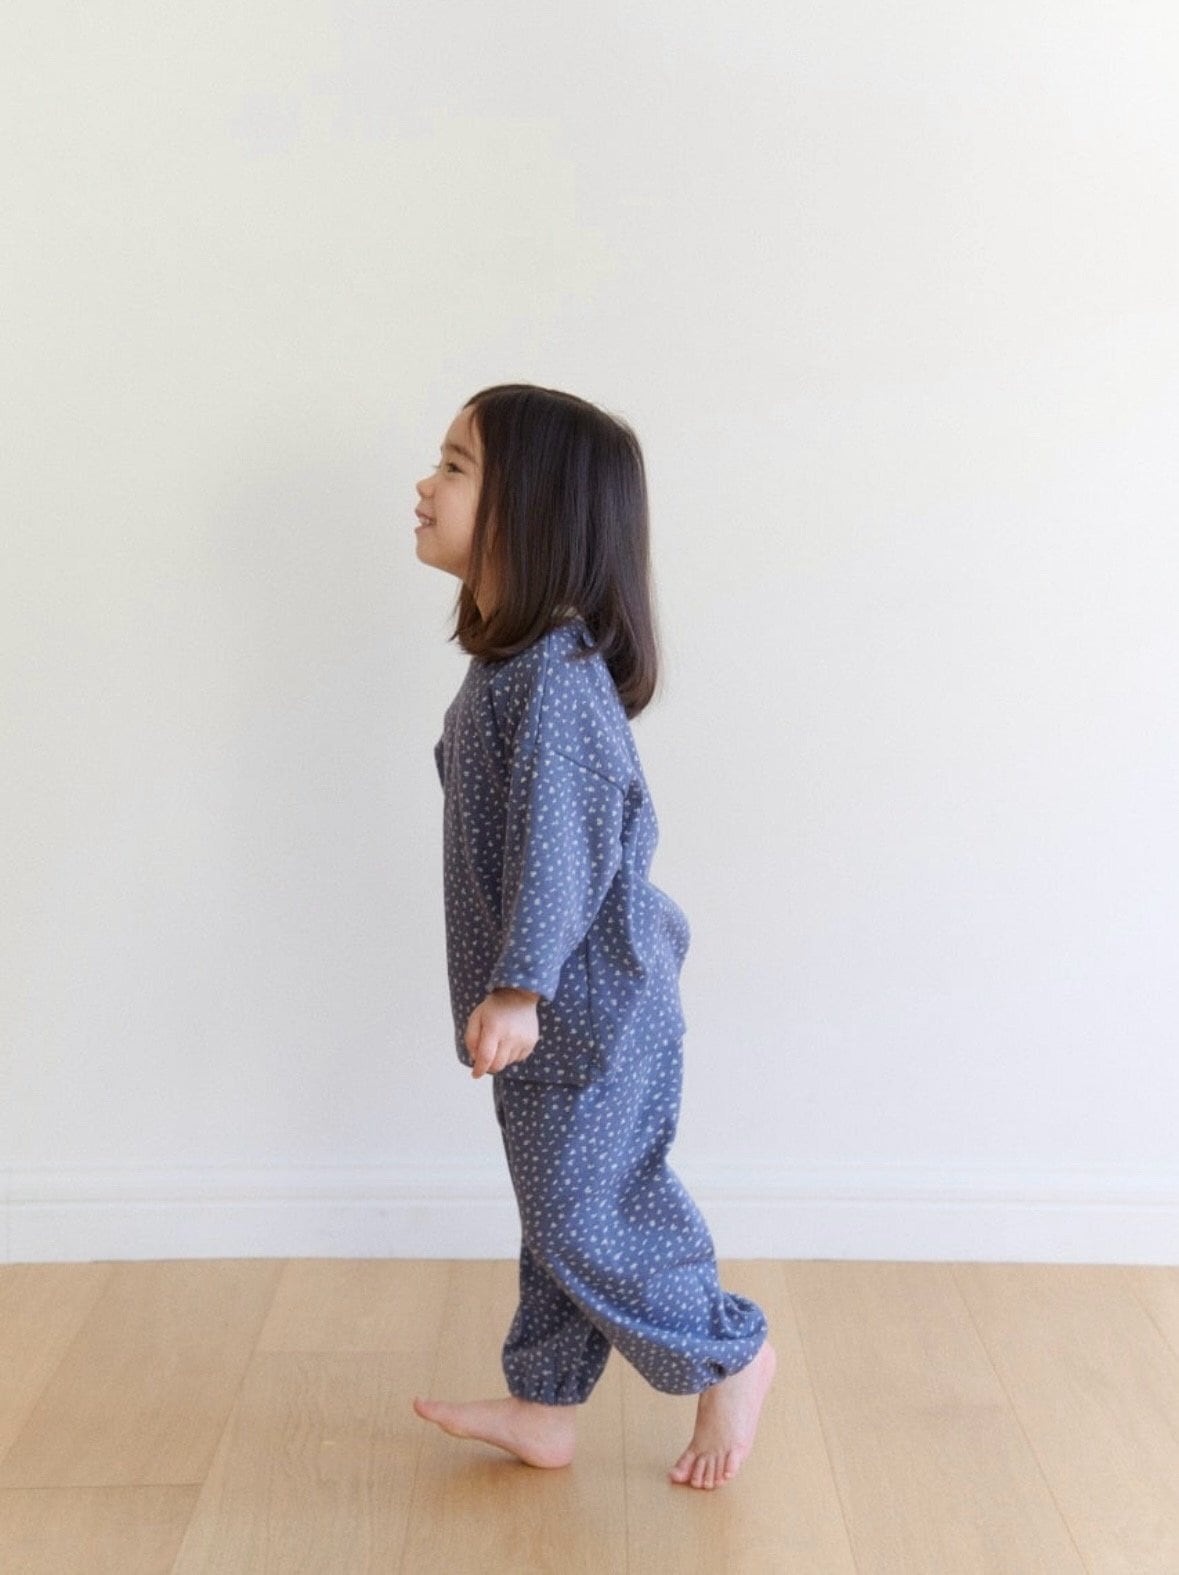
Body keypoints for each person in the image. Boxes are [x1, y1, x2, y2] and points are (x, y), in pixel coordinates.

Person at [409, 383, 776, 1492]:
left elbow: (564, 850)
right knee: (554, 1207)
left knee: (586, 1210)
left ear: (531, 510)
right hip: (556, 1013)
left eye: (455, 466)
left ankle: (728, 1349)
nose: (424, 485)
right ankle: (545, 1406)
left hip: (591, 1009)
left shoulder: (557, 682)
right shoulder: (508, 669)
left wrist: (519, 986)